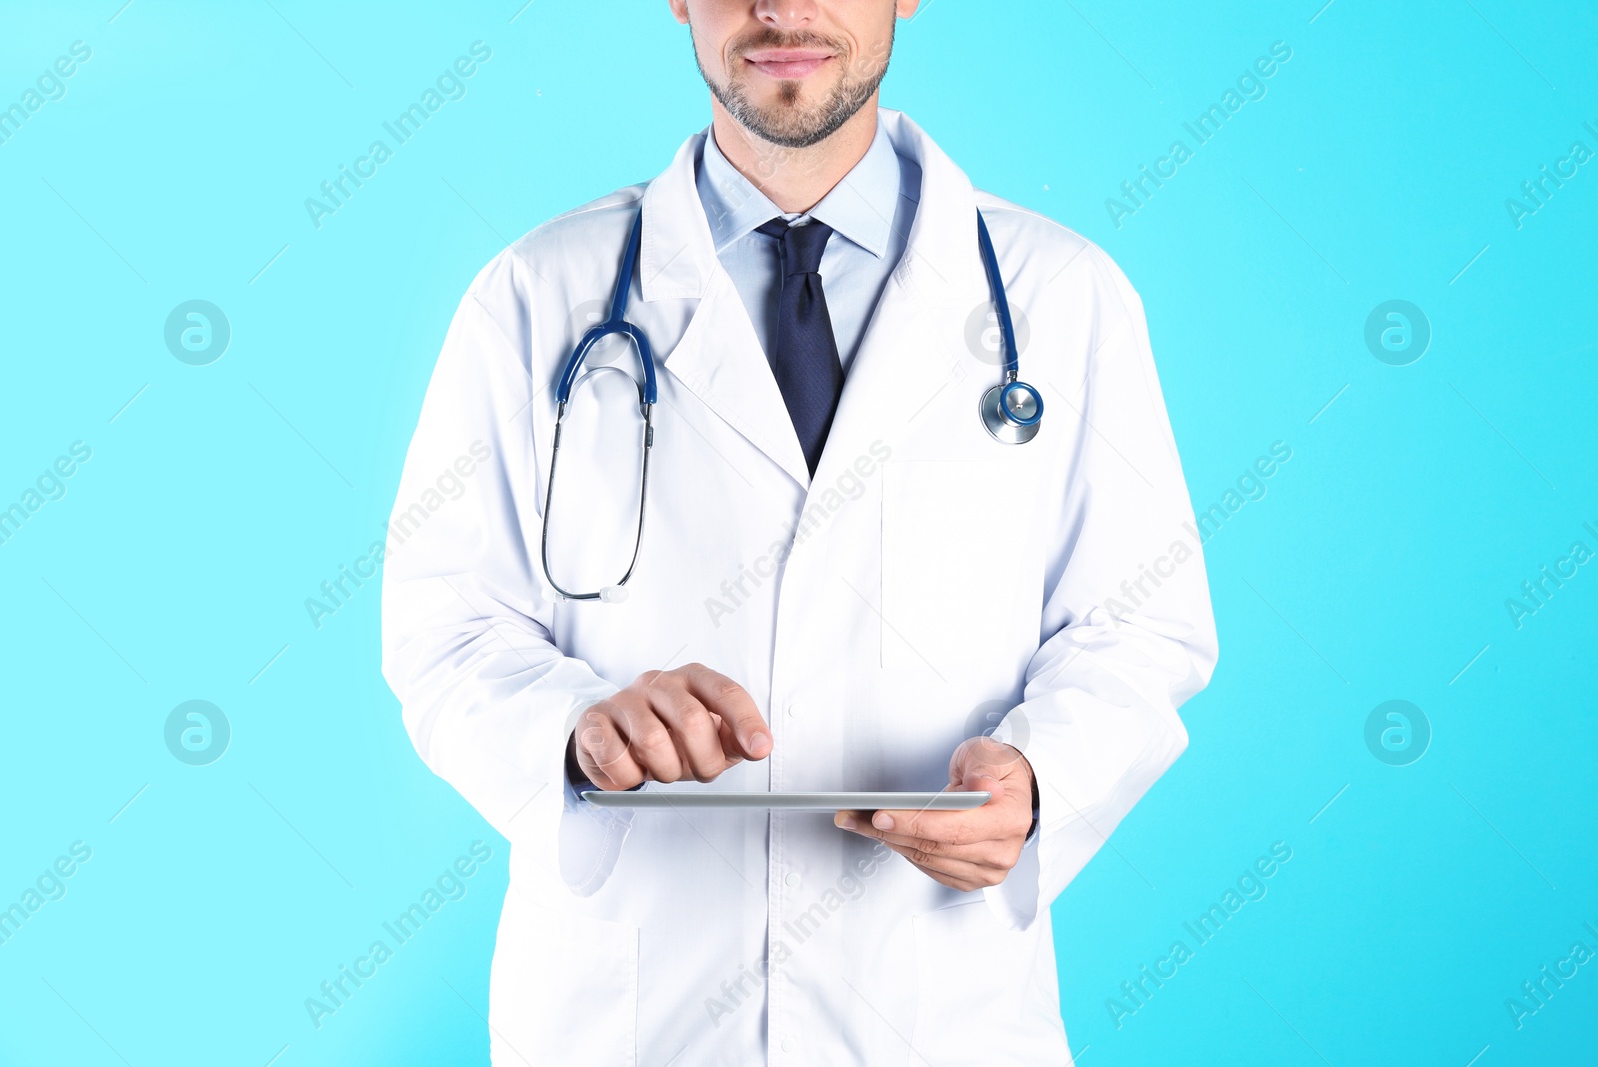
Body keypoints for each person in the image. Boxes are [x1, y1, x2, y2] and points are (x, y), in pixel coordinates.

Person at [381, 1, 1217, 1062]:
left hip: (938, 1012)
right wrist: (576, 725)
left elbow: (1141, 626)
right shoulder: (538, 294)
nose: (781, 6)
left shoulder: (1060, 296)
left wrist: (1040, 774)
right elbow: (444, 629)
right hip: (635, 1017)